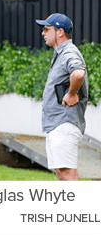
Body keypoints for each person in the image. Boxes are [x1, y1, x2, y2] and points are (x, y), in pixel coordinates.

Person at [35, 13, 88, 181]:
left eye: (46, 29)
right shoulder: (61, 53)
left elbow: (78, 73)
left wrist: (71, 93)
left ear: (60, 32)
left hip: (64, 123)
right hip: (58, 124)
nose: (43, 33)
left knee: (67, 173)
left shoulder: (68, 52)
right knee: (61, 172)